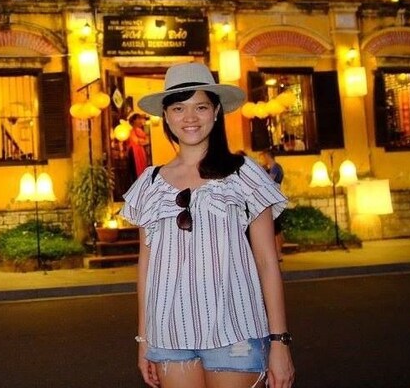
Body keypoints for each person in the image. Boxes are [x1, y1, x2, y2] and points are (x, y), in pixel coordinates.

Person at [120, 62, 295, 388]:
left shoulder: (244, 174)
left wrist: (279, 341)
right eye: (178, 108)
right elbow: (146, 267)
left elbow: (267, 261)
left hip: (236, 330)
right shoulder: (150, 184)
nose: (190, 117)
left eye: (200, 107)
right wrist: (144, 340)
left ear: (215, 112)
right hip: (169, 336)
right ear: (166, 116)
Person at [262, 148, 285, 261]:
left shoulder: (275, 168)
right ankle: (278, 252)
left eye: (264, 157)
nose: (264, 159)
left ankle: (278, 253)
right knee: (275, 228)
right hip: (273, 199)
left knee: (276, 228)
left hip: (274, 200)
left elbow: (269, 182)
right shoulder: (272, 168)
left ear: (268, 156)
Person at [127, 112, 150, 180]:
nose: (141, 121)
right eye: (138, 119)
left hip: (138, 152)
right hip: (135, 153)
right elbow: (138, 141)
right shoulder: (133, 131)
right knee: (136, 170)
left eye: (141, 119)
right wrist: (145, 140)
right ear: (134, 121)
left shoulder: (138, 131)